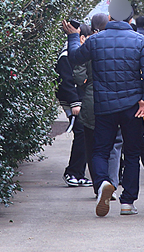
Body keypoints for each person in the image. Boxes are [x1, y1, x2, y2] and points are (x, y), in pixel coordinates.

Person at [62, 0, 144, 217]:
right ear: (130, 18)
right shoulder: (140, 41)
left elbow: (75, 58)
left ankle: (103, 182)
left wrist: (74, 36)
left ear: (110, 16)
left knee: (100, 151)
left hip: (103, 106)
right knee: (132, 153)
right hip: (133, 107)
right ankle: (127, 203)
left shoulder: (95, 40)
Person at [74, 17, 124, 196]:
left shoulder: (90, 44)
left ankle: (100, 186)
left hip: (92, 101)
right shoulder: (125, 43)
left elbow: (79, 76)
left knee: (94, 148)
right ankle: (113, 184)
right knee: (115, 146)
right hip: (119, 101)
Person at [54, 30, 90, 187]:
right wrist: (75, 102)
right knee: (81, 134)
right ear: (82, 37)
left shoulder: (73, 51)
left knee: (84, 136)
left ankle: (79, 173)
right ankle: (72, 172)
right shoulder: (67, 54)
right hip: (73, 102)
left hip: (77, 100)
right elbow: (66, 80)